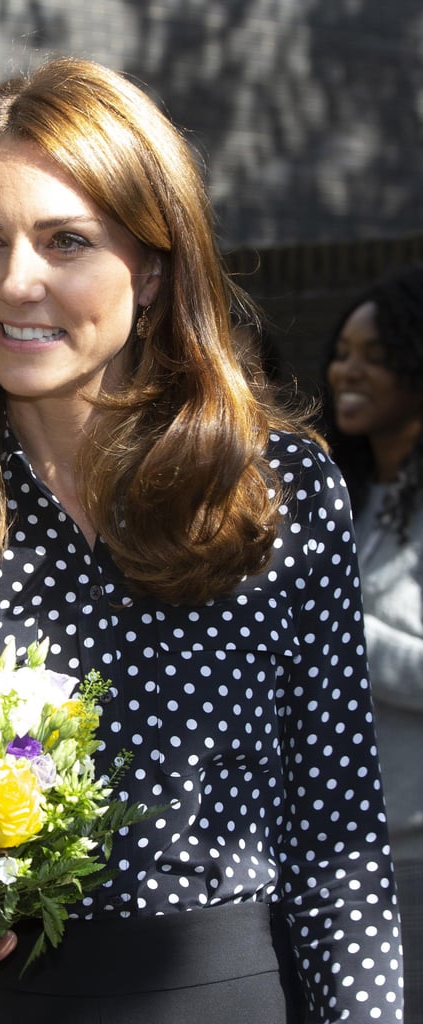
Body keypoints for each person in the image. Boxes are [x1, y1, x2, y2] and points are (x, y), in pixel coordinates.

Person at [0, 57, 403, 1023]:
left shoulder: (272, 490)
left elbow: (337, 835)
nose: (15, 281)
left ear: (155, 268)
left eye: (66, 240)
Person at [323, 264, 423, 1024]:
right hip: (341, 847)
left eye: (373, 354)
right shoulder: (344, 493)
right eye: (341, 351)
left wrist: (330, 625)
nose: (345, 369)